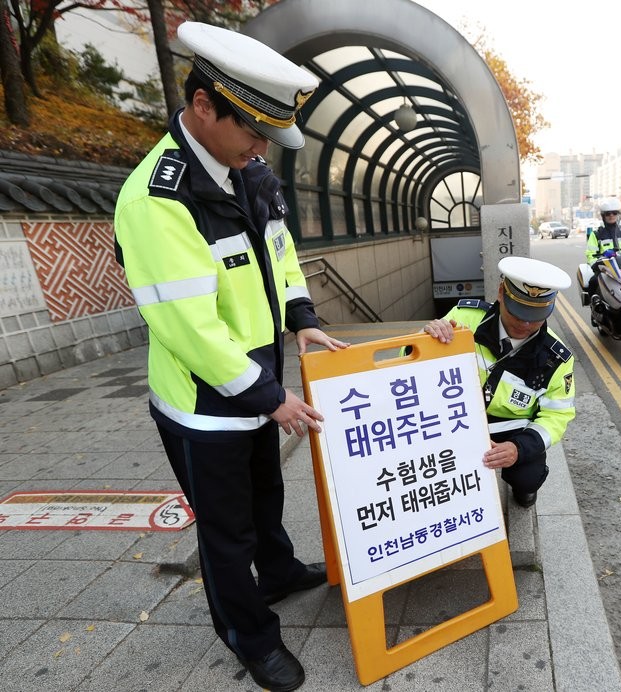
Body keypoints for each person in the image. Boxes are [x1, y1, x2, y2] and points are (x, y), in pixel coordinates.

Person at [114, 22, 347, 692]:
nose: (259, 146)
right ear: (202, 107)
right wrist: (272, 397)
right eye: (252, 130)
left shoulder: (250, 171)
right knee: (225, 534)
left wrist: (301, 320)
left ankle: (277, 574)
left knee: (266, 497)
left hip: (255, 387)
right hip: (204, 405)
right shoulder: (158, 199)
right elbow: (188, 328)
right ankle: (250, 636)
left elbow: (280, 257)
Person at [421, 256, 575, 509]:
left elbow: (556, 417)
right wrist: (425, 340)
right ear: (501, 292)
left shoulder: (557, 359)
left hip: (510, 428)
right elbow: (407, 367)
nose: (525, 324)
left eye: (535, 316)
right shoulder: (464, 318)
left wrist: (518, 448)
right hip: (457, 417)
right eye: (519, 312)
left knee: (527, 478)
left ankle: (524, 488)